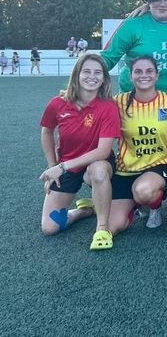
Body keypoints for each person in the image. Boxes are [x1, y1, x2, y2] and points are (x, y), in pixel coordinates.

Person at [38, 54, 120, 250]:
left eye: (98, 72)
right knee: (50, 227)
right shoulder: (58, 103)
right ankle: (83, 211)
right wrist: (52, 166)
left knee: (99, 170)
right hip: (67, 167)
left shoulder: (108, 107)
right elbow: (47, 131)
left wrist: (62, 167)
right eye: (87, 71)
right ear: (77, 74)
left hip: (96, 163)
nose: (92, 77)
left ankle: (101, 228)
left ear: (104, 78)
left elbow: (103, 151)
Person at [108, 56, 167, 234]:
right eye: (138, 71)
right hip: (126, 168)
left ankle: (154, 207)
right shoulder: (118, 102)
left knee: (143, 190)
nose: (144, 75)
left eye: (149, 71)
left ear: (157, 76)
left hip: (161, 164)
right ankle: (135, 205)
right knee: (113, 226)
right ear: (131, 76)